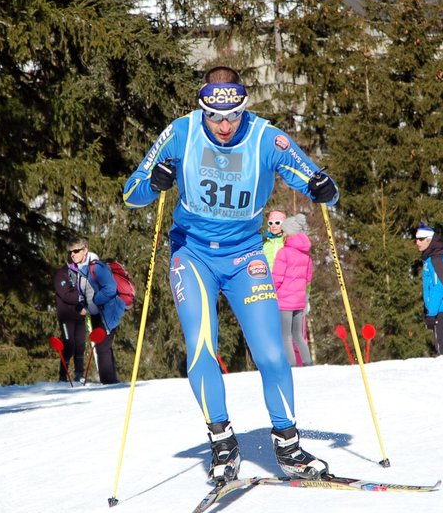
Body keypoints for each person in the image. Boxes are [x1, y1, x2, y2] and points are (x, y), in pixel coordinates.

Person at [123, 65, 338, 483]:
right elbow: (132, 193)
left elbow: (313, 178)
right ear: (201, 108)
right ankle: (222, 441)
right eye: (214, 116)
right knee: (201, 347)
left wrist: (324, 188)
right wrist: (155, 181)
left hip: (245, 258)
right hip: (193, 256)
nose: (223, 126)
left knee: (272, 353)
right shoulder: (181, 132)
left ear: (244, 107)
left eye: (233, 115)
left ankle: (288, 445)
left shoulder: (265, 137)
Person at [58, 237, 124, 385]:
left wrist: (94, 301)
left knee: (102, 347)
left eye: (76, 251)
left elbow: (110, 289)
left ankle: (108, 383)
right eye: (70, 252)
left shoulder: (96, 266)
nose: (73, 254)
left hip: (108, 311)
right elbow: (82, 291)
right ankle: (112, 381)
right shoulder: (76, 270)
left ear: (85, 250)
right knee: (103, 347)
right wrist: (82, 304)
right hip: (94, 313)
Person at [272, 213, 313, 367]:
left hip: (284, 301)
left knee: (285, 336)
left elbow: (277, 277)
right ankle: (308, 363)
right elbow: (308, 278)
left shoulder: (284, 252)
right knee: (298, 335)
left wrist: (271, 293)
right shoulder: (306, 255)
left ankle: (292, 365)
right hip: (299, 300)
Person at [415, 223, 443, 355]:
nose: (417, 243)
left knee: (442, 344)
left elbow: (439, 288)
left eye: (421, 239)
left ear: (429, 240)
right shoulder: (431, 258)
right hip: (439, 308)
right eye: (416, 239)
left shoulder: (436, 259)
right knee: (442, 342)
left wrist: (431, 313)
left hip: (440, 309)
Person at [53, 245, 88, 383]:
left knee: (80, 344)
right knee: (69, 344)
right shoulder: (61, 274)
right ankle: (63, 375)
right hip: (66, 315)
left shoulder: (80, 273)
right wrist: (80, 297)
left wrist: (86, 302)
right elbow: (66, 294)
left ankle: (79, 373)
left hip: (79, 315)